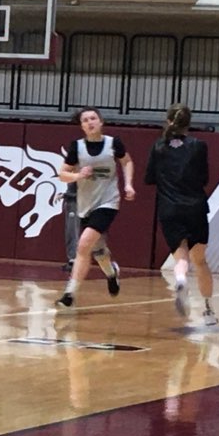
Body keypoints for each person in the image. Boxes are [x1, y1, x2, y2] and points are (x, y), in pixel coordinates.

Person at [144, 103, 218, 326]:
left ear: (168, 121)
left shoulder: (158, 147)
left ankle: (180, 279)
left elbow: (149, 178)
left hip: (169, 208)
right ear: (189, 123)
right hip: (195, 207)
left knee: (181, 255)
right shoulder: (199, 146)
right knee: (201, 261)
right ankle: (207, 310)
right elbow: (204, 177)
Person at [55, 108, 135, 308]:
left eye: (93, 118)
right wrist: (78, 176)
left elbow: (127, 162)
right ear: (81, 126)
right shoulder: (77, 147)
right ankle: (111, 273)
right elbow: (62, 174)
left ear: (101, 122)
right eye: (85, 120)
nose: (90, 122)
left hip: (108, 201)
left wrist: (128, 184)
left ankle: (69, 294)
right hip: (86, 204)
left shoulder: (113, 143)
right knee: (98, 250)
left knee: (83, 245)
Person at [61, 181, 79, 272]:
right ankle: (71, 259)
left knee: (73, 231)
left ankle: (74, 260)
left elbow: (80, 192)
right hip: (70, 203)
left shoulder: (79, 173)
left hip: (75, 204)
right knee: (69, 232)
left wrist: (66, 195)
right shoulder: (72, 173)